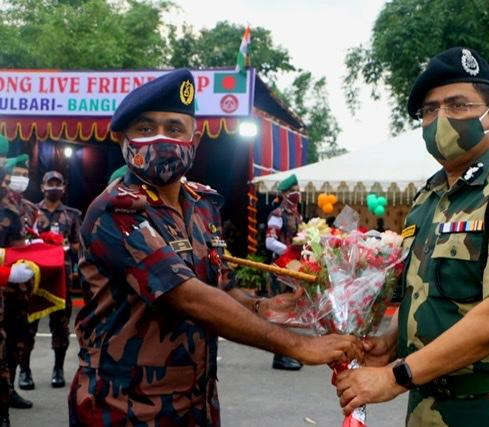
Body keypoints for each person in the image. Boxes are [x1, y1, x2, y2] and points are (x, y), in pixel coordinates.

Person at [68, 69, 361, 426]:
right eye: (145, 129)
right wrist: (299, 346)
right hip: (125, 407)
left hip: (196, 404)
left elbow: (219, 286)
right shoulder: (116, 210)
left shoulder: (201, 204)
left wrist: (263, 305)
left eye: (174, 128)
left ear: (195, 138)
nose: (161, 139)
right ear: (121, 138)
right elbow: (189, 296)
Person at [335, 47, 489, 425]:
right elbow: (423, 291)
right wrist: (389, 344)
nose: (440, 119)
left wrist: (395, 377)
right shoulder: (427, 200)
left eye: (457, 105)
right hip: (426, 404)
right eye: (430, 110)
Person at [19, 171, 82, 390]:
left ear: (63, 187)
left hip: (60, 277)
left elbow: (79, 245)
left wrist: (64, 246)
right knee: (28, 325)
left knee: (61, 325)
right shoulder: (31, 212)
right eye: (50, 184)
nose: (54, 188)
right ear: (43, 186)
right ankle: (24, 371)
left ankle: (58, 369)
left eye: (58, 184)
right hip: (34, 276)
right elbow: (23, 241)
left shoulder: (73, 215)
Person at [0, 155, 39, 413]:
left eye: (25, 172)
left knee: (16, 342)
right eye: (16, 171)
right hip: (4, 285)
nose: (20, 177)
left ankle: (10, 390)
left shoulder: (26, 207)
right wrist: (6, 272)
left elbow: (22, 239)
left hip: (19, 291)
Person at [265, 174, 304, 371]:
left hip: (292, 270)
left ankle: (287, 353)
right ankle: (279, 357)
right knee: (279, 313)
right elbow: (269, 242)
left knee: (289, 313)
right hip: (279, 270)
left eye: (297, 189)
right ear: (283, 194)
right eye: (292, 191)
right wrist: (290, 250)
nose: (296, 193)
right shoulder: (277, 215)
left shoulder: (297, 215)